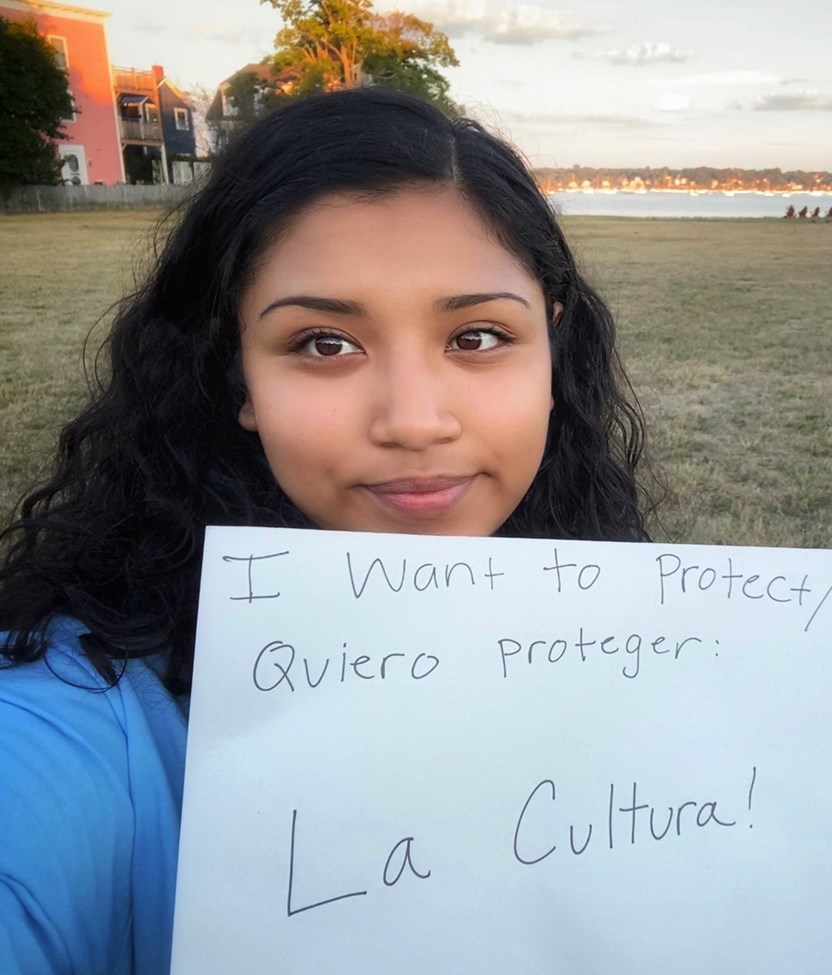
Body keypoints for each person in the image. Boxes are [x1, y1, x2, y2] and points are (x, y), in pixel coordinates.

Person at [0, 87, 649, 974]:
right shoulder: (79, 722)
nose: (415, 421)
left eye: (479, 335)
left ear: (552, 353)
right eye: (323, 344)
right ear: (238, 375)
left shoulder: (657, 665)